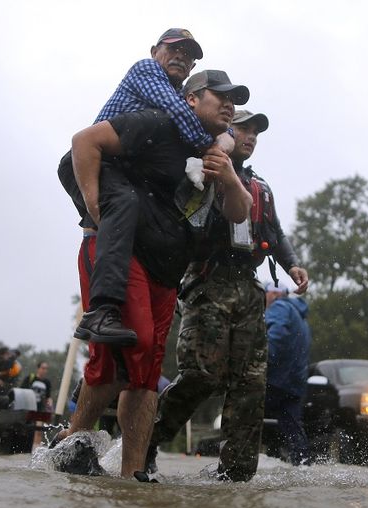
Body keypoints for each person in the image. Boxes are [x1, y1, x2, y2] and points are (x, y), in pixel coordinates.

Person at [58, 70, 253, 478]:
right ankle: (73, 440)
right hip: (123, 254)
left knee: (146, 375)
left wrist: (230, 176)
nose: (229, 105)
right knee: (133, 346)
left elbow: (238, 213)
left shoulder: (219, 155)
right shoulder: (156, 123)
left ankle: (132, 475)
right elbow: (84, 143)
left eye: (234, 99)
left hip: (168, 271)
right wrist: (96, 210)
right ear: (191, 100)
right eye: (220, 96)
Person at [147, 109, 310, 481]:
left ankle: (235, 472)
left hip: (249, 288)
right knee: (202, 374)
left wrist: (293, 265)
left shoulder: (261, 187)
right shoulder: (202, 170)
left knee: (251, 382)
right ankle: (145, 441)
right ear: (226, 131)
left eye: (256, 132)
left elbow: (275, 231)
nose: (251, 137)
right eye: (244, 129)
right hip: (207, 282)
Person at [60, 28, 234, 346]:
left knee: (136, 210)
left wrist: (225, 138)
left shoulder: (179, 96)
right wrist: (94, 205)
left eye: (190, 54)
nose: (182, 56)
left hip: (122, 170)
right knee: (125, 204)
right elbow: (187, 117)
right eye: (175, 49)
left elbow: (221, 129)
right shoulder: (147, 70)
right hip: (93, 159)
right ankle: (101, 312)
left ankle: (94, 384)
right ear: (155, 50)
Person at [262, 283, 312, 466]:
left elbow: (276, 337)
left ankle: (235, 469)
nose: (271, 297)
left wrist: (262, 361)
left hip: (274, 380)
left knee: (245, 418)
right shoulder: (301, 318)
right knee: (292, 429)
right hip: (294, 383)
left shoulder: (279, 307)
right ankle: (303, 469)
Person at [20, 361, 53, 449]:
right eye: (43, 368)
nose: (44, 370)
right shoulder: (30, 378)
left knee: (39, 430)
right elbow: (22, 390)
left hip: (40, 409)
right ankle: (25, 447)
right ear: (38, 368)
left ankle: (36, 449)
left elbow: (48, 396)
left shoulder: (47, 382)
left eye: (46, 369)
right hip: (29, 408)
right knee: (27, 429)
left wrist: (50, 406)